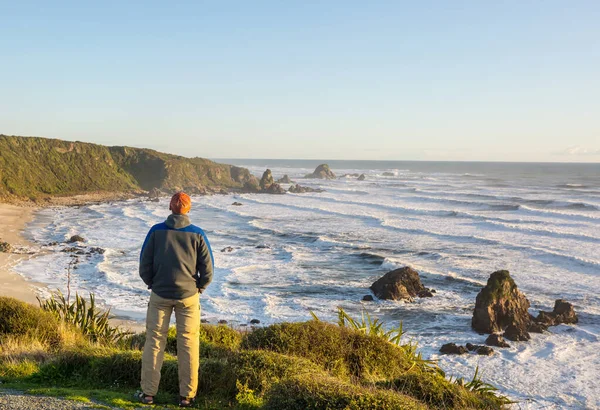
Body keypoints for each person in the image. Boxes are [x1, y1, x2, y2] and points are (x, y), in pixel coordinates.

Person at [137, 192, 214, 407]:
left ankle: (148, 394)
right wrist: (200, 287)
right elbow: (208, 269)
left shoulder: (156, 231)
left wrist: (152, 283)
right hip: (188, 296)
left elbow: (144, 264)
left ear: (170, 207)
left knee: (154, 342)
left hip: (160, 294)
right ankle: (187, 396)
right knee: (188, 344)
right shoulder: (197, 234)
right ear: (188, 209)